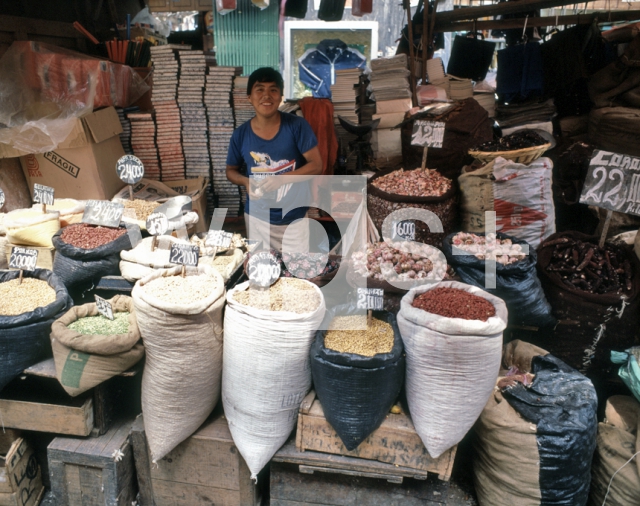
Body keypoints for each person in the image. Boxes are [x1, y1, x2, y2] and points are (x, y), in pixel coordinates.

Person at [226, 67, 323, 253]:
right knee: (261, 274)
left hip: (294, 218)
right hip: (257, 219)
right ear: (249, 97)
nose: (266, 96)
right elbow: (231, 171)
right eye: (259, 89)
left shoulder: (297, 127)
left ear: (280, 97)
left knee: (296, 277)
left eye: (273, 90)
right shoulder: (241, 135)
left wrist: (282, 179)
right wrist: (245, 181)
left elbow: (316, 165)